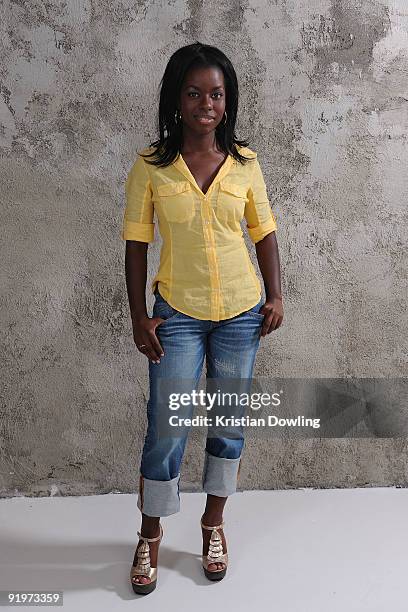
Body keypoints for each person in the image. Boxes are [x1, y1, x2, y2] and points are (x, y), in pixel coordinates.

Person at [121, 42, 283, 595]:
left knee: (229, 423)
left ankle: (213, 524)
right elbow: (137, 245)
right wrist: (140, 314)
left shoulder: (245, 163)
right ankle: (149, 534)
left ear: (227, 100)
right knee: (167, 426)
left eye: (216, 94)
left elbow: (264, 231)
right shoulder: (151, 166)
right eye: (194, 93)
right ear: (176, 99)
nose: (205, 103)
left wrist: (276, 294)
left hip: (241, 312)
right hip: (178, 316)